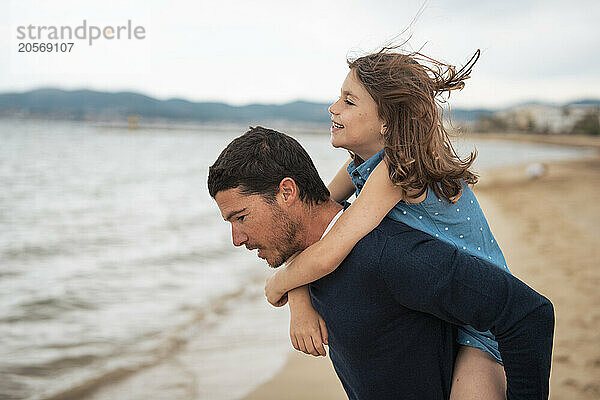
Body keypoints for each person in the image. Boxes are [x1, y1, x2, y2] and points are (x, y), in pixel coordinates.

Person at [207, 126, 554, 399]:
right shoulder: (308, 261)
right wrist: (296, 292)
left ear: (287, 192)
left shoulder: (389, 255)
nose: (237, 239)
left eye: (241, 217)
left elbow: (528, 313)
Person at [263, 48, 510, 398]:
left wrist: (278, 284)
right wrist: (300, 300)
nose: (333, 108)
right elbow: (309, 227)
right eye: (339, 97)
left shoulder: (397, 167)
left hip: (482, 318)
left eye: (349, 101)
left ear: (387, 122)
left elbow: (330, 251)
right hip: (438, 311)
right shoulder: (358, 166)